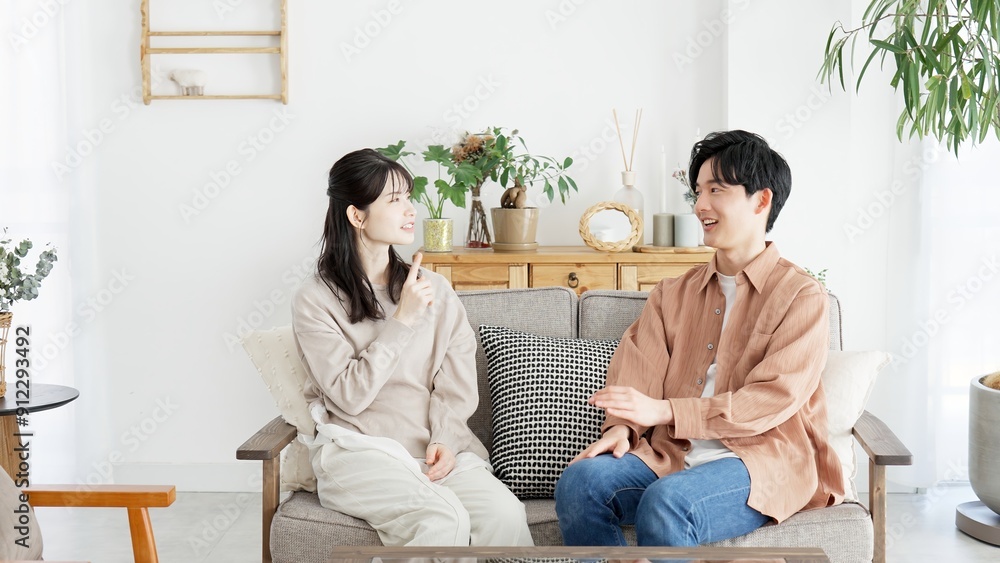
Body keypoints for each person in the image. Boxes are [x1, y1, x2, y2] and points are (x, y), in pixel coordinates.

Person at [554, 130, 845, 546]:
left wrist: (666, 410)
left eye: (716, 190)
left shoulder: (801, 296)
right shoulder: (672, 293)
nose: (700, 205)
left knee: (669, 502)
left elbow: (772, 398)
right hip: (671, 454)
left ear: (761, 201)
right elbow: (639, 368)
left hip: (760, 461)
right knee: (580, 483)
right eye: (698, 191)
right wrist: (622, 428)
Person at [292, 148, 533, 547]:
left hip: (432, 449)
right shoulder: (315, 299)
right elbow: (349, 396)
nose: (411, 209)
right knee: (442, 519)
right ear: (357, 216)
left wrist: (445, 439)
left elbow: (456, 387)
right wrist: (402, 320)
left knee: (505, 515)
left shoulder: (435, 289)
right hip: (358, 451)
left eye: (408, 196)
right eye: (395, 200)